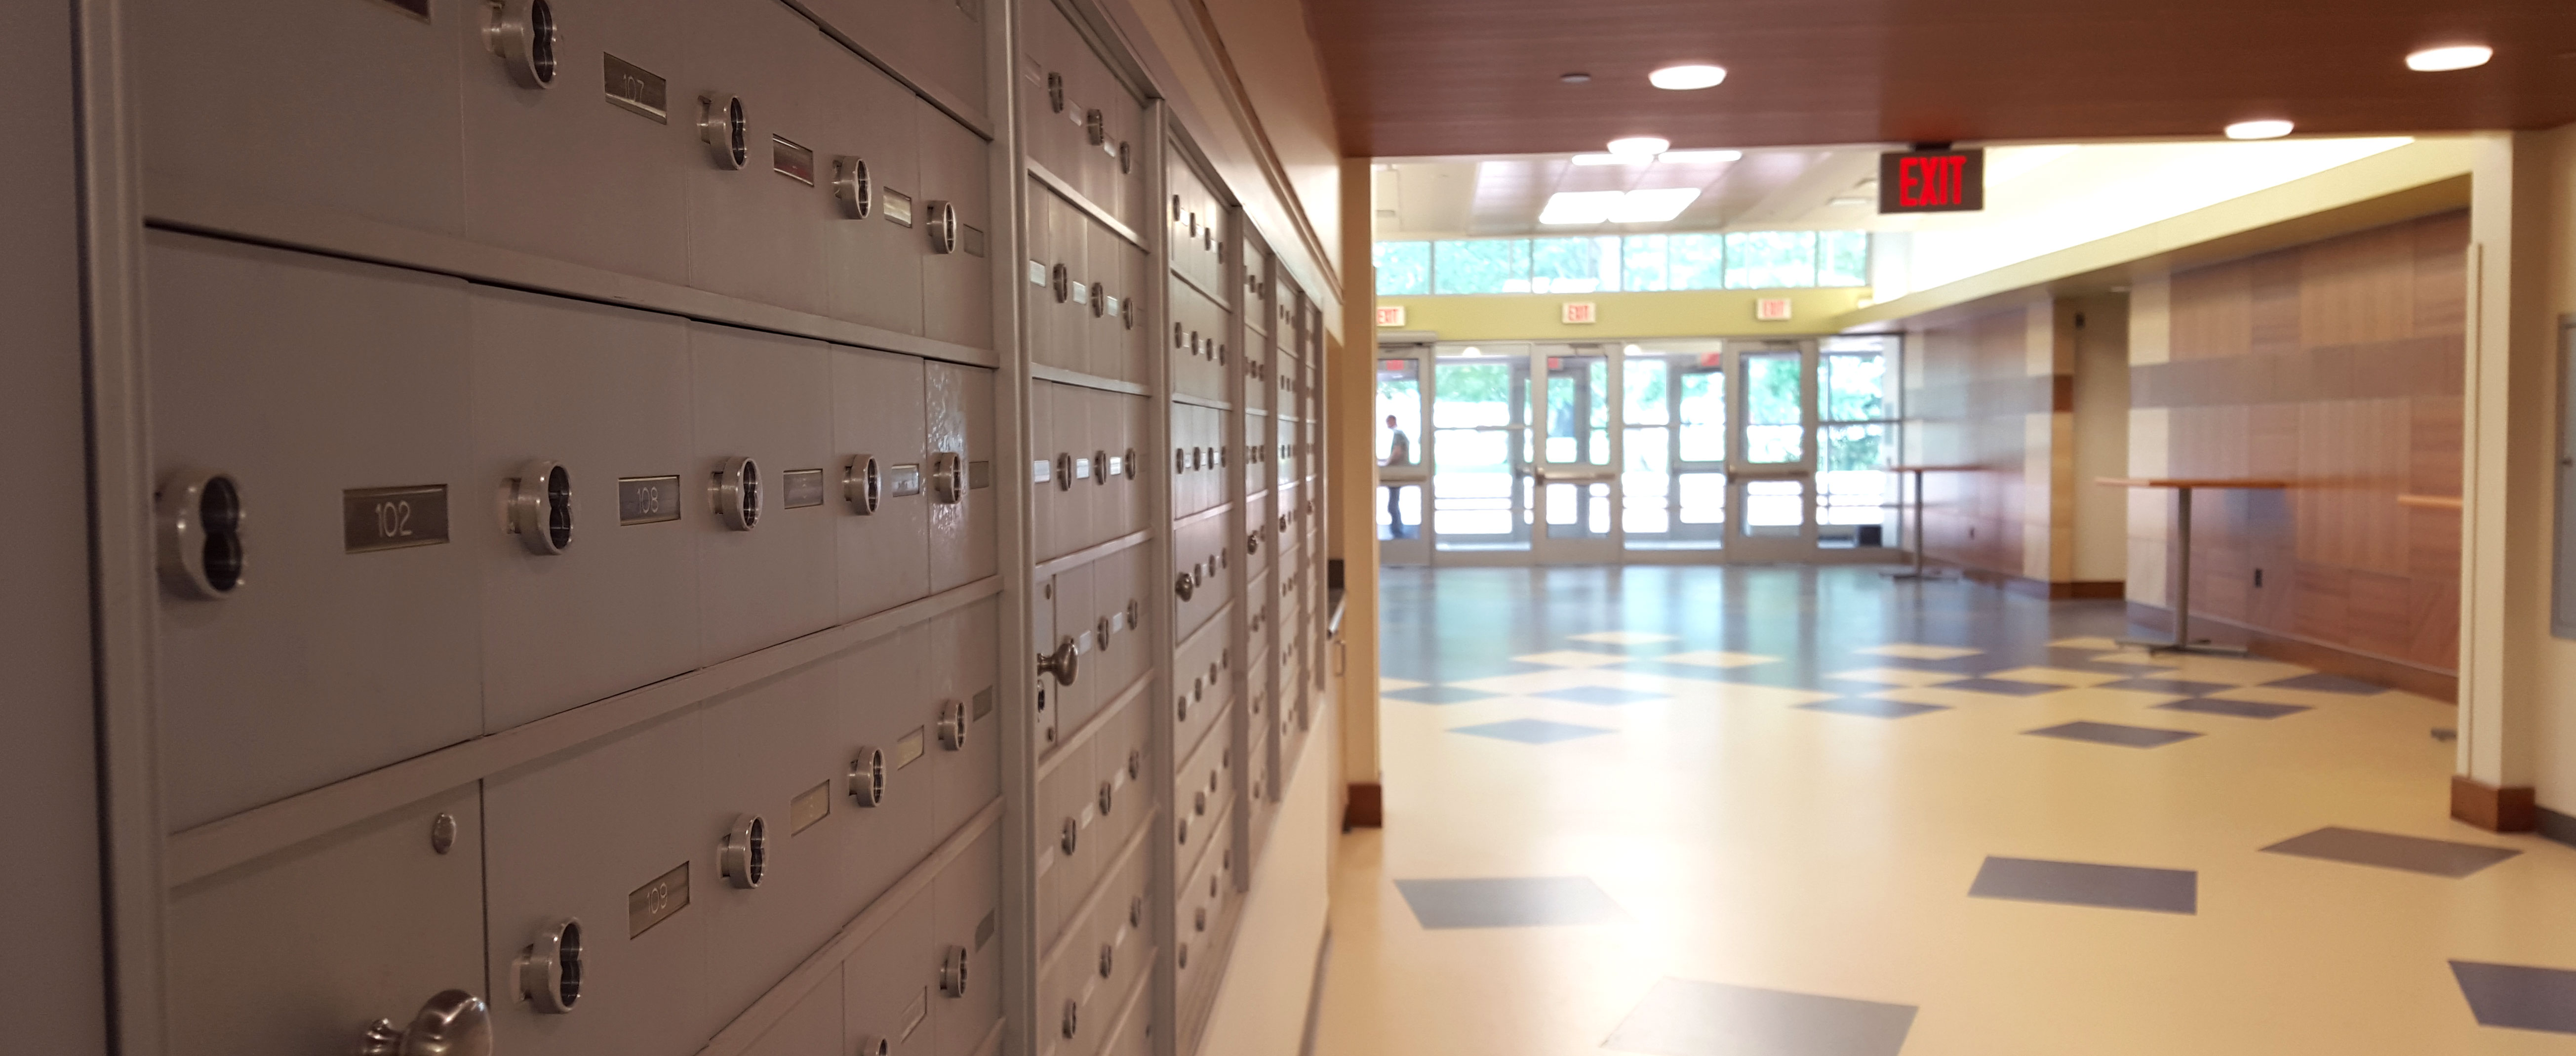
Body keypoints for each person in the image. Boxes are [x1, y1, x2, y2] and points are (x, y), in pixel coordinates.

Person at [1381, 414, 1413, 538]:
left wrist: (1386, 465)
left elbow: (1397, 452)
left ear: (1394, 421)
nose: (1387, 424)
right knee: (1394, 502)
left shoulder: (1398, 434)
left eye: (1388, 421)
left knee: (1393, 504)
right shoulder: (1399, 434)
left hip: (1397, 472)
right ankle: (1397, 528)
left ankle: (1397, 531)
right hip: (1398, 470)